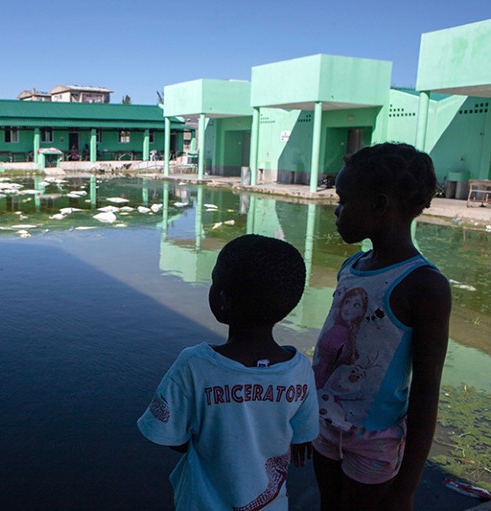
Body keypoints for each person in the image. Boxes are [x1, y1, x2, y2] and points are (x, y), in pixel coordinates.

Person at [311, 143, 452, 511]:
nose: (336, 211)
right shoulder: (352, 266)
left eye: (343, 200)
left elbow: (425, 391)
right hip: (324, 423)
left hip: (374, 440)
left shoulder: (424, 286)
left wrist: (406, 487)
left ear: (379, 205)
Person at [138, 234, 319, 511]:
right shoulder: (299, 368)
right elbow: (303, 437)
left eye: (213, 281)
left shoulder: (195, 365)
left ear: (223, 299)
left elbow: (171, 437)